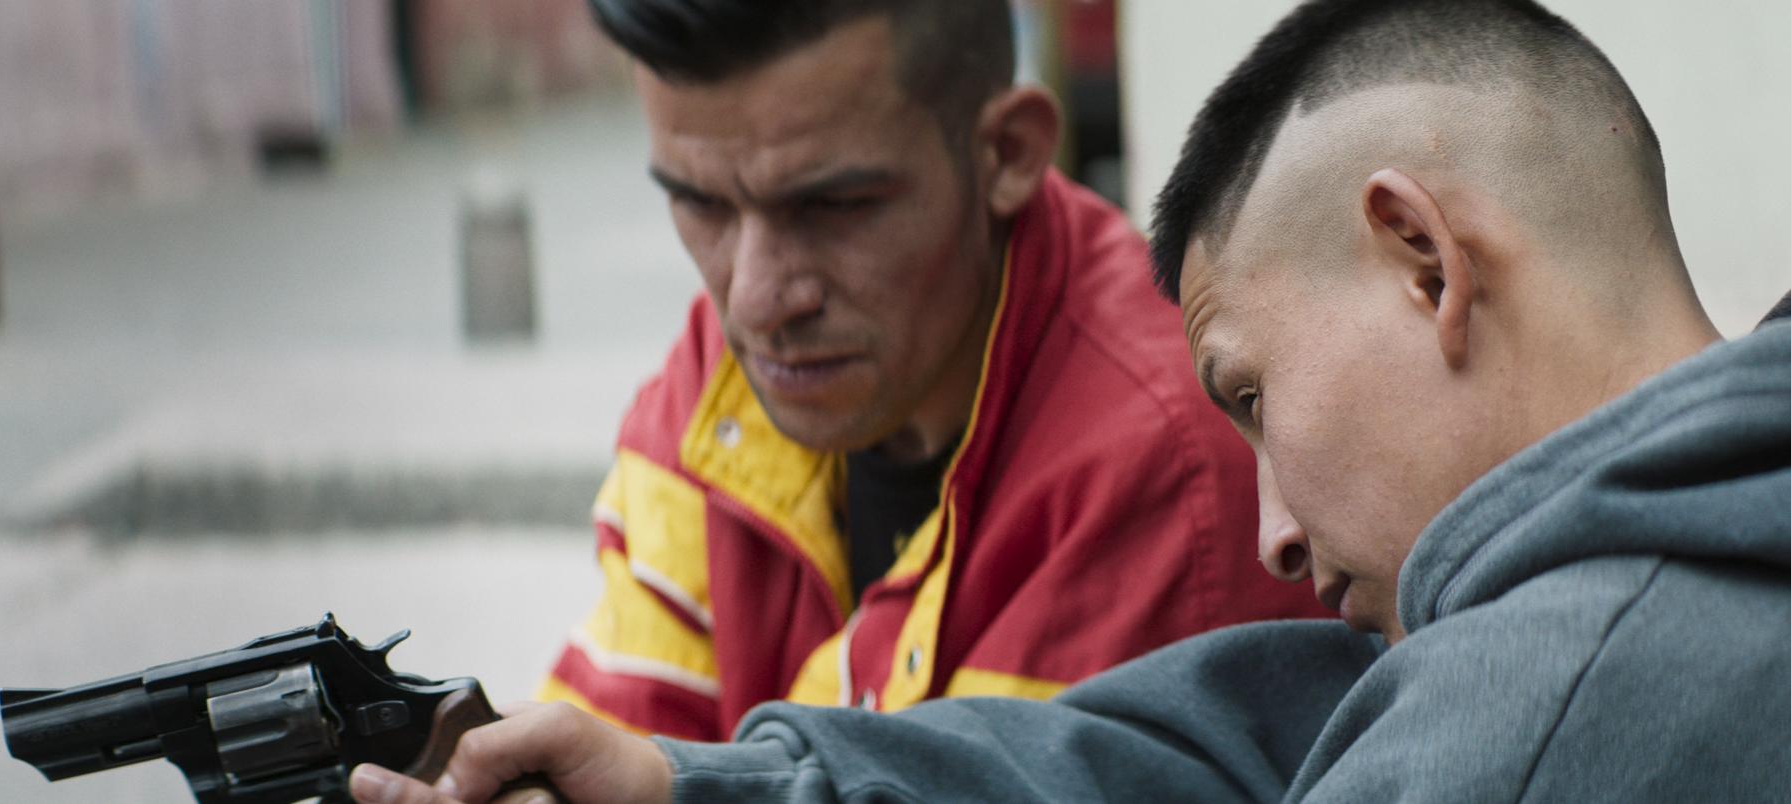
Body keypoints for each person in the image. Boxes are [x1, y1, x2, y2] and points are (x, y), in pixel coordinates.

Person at [344, 0, 1791, 801]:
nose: (1274, 532)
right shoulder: (1509, 625)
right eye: (700, 209)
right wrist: (692, 796)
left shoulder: (1531, 718)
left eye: (1251, 394)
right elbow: (1180, 753)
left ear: (1423, 261)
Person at [521, 0, 1326, 745]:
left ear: (1007, 152)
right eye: (701, 205)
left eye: (833, 208)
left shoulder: (1167, 463)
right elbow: (613, 737)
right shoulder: (718, 378)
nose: (758, 299)